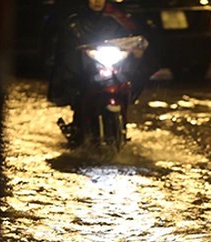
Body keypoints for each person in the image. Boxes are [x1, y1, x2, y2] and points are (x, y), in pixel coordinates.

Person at [48, 0, 156, 139]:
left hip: (108, 69)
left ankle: (121, 124)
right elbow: (65, 50)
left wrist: (134, 50)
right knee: (78, 88)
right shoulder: (74, 25)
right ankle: (78, 126)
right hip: (85, 72)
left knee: (123, 84)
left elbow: (126, 40)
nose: (97, 1)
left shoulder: (113, 23)